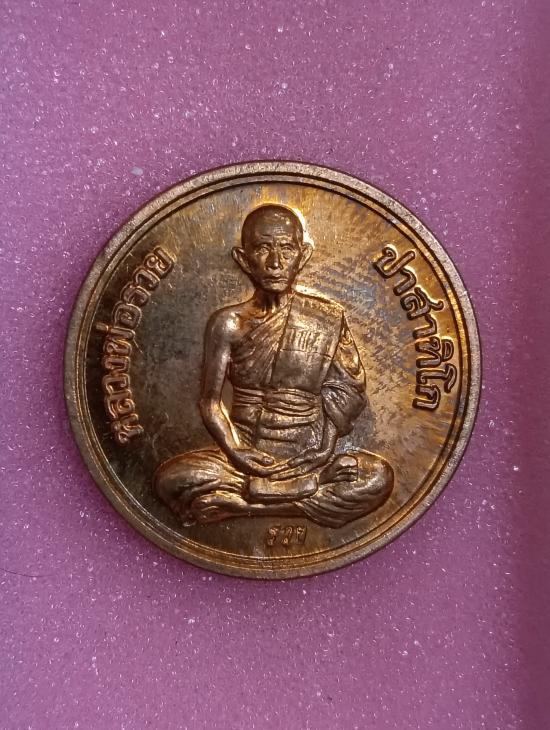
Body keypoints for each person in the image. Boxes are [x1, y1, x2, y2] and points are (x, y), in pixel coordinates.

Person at [154, 204, 393, 528]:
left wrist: (325, 449)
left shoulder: (327, 318)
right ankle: (291, 494)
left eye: (286, 249)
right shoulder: (228, 323)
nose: (275, 262)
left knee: (377, 476)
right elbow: (210, 402)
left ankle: (240, 505)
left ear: (303, 255)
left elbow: (346, 391)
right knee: (170, 479)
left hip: (308, 455)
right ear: (243, 259)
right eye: (263, 249)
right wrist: (235, 450)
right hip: (244, 457)